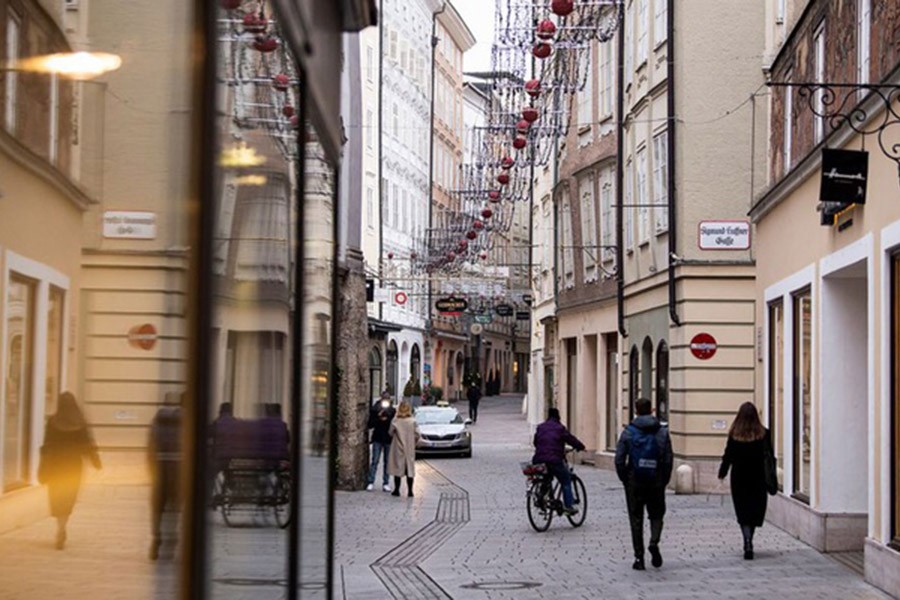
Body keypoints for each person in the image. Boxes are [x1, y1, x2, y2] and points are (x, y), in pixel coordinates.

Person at [38, 392, 102, 550]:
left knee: (57, 497)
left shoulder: (53, 422)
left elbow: (47, 444)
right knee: (68, 497)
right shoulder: (80, 422)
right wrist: (95, 461)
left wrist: (43, 464)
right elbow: (88, 443)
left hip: (56, 465)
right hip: (74, 466)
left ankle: (59, 527)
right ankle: (63, 525)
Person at [615, 398, 673, 570]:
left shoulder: (629, 432)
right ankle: (654, 542)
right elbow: (668, 458)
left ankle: (639, 558)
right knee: (657, 515)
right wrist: (664, 480)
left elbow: (619, 459)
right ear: (652, 410)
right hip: (656, 480)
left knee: (636, 519)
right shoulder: (662, 432)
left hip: (635, 480)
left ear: (636, 410)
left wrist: (625, 478)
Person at [718, 402, 774, 560]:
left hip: (739, 478)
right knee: (754, 510)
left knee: (742, 511)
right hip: (758, 478)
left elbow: (728, 454)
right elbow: (769, 456)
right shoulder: (764, 434)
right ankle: (750, 538)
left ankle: (747, 540)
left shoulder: (734, 434)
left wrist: (722, 472)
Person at [532, 407, 585, 516]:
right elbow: (570, 439)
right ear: (558, 417)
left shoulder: (540, 427)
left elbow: (536, 442)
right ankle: (568, 507)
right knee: (566, 480)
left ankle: (542, 497)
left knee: (546, 477)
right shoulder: (560, 428)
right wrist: (580, 446)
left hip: (538, 459)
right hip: (554, 459)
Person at [148, 396, 182, 561]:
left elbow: (151, 445)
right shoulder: (184, 422)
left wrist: (151, 468)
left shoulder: (157, 421)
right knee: (174, 506)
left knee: (157, 507)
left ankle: (156, 536)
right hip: (177, 469)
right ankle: (171, 538)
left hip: (160, 467)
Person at [387, 401, 419, 497]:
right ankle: (410, 491)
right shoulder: (412, 421)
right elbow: (418, 434)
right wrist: (414, 442)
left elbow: (390, 432)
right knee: (409, 468)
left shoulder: (396, 420)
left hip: (398, 446)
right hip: (409, 447)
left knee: (398, 468)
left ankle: (397, 490)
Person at [366, 392, 396, 492]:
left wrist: (388, 418)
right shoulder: (375, 409)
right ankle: (370, 482)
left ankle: (386, 483)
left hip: (388, 438)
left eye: (387, 400)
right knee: (375, 460)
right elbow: (370, 424)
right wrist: (378, 417)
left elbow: (393, 424)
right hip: (377, 437)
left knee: (387, 461)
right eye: (384, 399)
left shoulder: (392, 410)